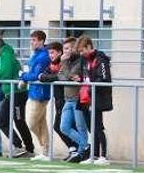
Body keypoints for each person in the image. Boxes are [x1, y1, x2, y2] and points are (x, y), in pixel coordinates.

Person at [37, 41, 78, 159]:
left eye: (52, 53)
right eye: (49, 53)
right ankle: (74, 149)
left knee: (62, 126)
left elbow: (61, 76)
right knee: (62, 126)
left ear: (60, 53)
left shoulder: (64, 63)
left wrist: (47, 77)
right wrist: (45, 77)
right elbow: (43, 76)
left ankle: (80, 148)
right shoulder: (52, 65)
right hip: (59, 100)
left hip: (68, 98)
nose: (51, 55)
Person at [77, 35, 112, 166]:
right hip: (85, 97)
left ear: (89, 47)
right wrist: (78, 78)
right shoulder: (83, 60)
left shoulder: (101, 59)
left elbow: (104, 78)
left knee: (98, 126)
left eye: (82, 50)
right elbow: (82, 75)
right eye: (79, 51)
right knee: (91, 127)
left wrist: (91, 84)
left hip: (98, 97)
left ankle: (103, 156)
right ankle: (95, 155)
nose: (81, 53)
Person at [18, 30, 51, 161]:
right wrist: (25, 77)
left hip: (40, 93)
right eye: (31, 40)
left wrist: (22, 76)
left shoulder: (43, 56)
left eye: (34, 40)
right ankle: (45, 151)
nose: (31, 43)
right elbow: (32, 72)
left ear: (41, 41)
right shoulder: (35, 55)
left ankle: (45, 148)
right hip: (34, 91)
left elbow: (34, 75)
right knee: (41, 123)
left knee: (31, 123)